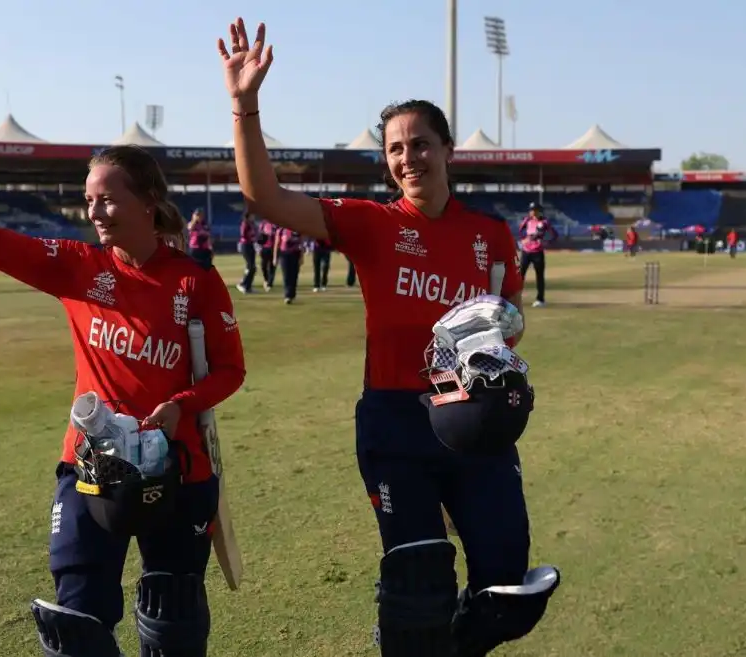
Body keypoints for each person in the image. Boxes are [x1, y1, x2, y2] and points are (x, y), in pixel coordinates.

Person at [217, 19, 559, 656]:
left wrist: (497, 336)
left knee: (508, 586)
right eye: (396, 149)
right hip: (396, 423)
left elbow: (512, 316)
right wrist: (245, 104)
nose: (409, 158)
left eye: (421, 144)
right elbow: (262, 195)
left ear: (448, 149)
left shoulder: (492, 235)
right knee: (417, 585)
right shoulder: (369, 224)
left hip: (475, 422)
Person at [0, 101, 245, 657]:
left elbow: (230, 368)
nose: (95, 212)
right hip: (91, 464)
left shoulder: (195, 281)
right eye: (89, 201)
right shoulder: (79, 266)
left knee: (173, 615)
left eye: (106, 198)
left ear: (148, 201)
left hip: (179, 469)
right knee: (75, 621)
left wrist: (181, 402)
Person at [517, 202, 554, 307]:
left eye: (534, 210)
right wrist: (523, 239)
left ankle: (540, 300)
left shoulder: (545, 222)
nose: (532, 212)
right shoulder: (527, 220)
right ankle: (516, 297)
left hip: (538, 252)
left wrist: (546, 242)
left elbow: (554, 235)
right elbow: (520, 231)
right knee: (520, 275)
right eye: (531, 210)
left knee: (539, 276)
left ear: (539, 211)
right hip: (526, 251)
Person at [274, 224, 304, 304]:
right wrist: (275, 258)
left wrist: (301, 257)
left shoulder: (298, 230)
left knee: (294, 275)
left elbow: (301, 244)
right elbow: (277, 244)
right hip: (285, 254)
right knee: (287, 275)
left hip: (295, 254)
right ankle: (287, 296)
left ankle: (292, 294)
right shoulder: (281, 230)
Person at [237, 210, 259, 293]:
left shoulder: (253, 224)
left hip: (251, 245)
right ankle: (242, 284)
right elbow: (244, 235)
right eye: (252, 216)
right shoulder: (245, 224)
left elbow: (256, 234)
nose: (253, 217)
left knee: (253, 267)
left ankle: (248, 286)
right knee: (250, 266)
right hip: (245, 246)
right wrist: (253, 236)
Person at [256, 216, 277, 292]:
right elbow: (259, 237)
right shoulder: (263, 224)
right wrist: (258, 248)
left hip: (273, 248)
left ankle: (270, 284)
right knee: (263, 265)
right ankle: (266, 279)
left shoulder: (276, 225)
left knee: (272, 266)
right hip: (264, 248)